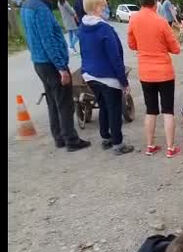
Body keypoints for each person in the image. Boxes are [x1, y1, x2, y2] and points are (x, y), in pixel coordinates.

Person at [21, 0, 91, 152]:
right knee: (65, 102)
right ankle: (71, 140)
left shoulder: (26, 6)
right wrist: (61, 67)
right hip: (51, 63)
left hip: (39, 62)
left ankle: (59, 137)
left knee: (52, 101)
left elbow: (28, 36)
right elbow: (48, 40)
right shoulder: (41, 9)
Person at [78, 0, 135, 155]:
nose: (106, 9)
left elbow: (83, 52)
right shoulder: (104, 29)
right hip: (107, 76)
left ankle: (106, 137)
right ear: (96, 8)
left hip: (90, 75)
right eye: (104, 6)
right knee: (114, 109)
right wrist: (123, 81)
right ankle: (118, 143)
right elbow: (115, 57)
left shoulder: (82, 28)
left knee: (103, 105)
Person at [128, 0, 182, 158]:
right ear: (155, 4)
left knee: (150, 110)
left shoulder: (134, 19)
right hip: (164, 72)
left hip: (145, 72)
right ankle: (170, 148)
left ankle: (150, 145)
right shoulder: (161, 21)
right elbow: (175, 48)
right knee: (168, 110)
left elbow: (131, 44)